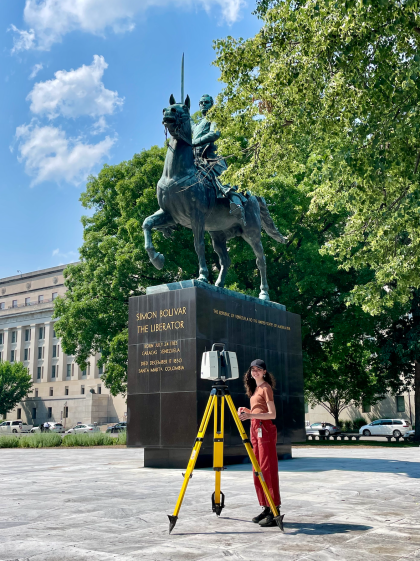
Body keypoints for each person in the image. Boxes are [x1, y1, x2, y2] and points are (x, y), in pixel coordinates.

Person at [191, 94, 247, 225]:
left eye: (206, 102)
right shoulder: (198, 124)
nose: (203, 104)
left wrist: (195, 141)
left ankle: (237, 204)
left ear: (211, 104)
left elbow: (214, 134)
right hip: (196, 158)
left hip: (211, 155)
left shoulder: (214, 119)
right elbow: (190, 125)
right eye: (201, 102)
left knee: (223, 176)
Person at [238, 359, 281, 527]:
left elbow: (272, 414)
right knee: (257, 470)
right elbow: (258, 411)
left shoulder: (266, 388)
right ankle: (266, 506)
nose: (254, 372)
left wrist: (251, 416)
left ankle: (274, 508)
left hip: (265, 431)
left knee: (267, 470)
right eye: (252, 369)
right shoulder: (255, 389)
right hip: (256, 430)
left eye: (258, 369)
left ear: (264, 372)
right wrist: (247, 412)